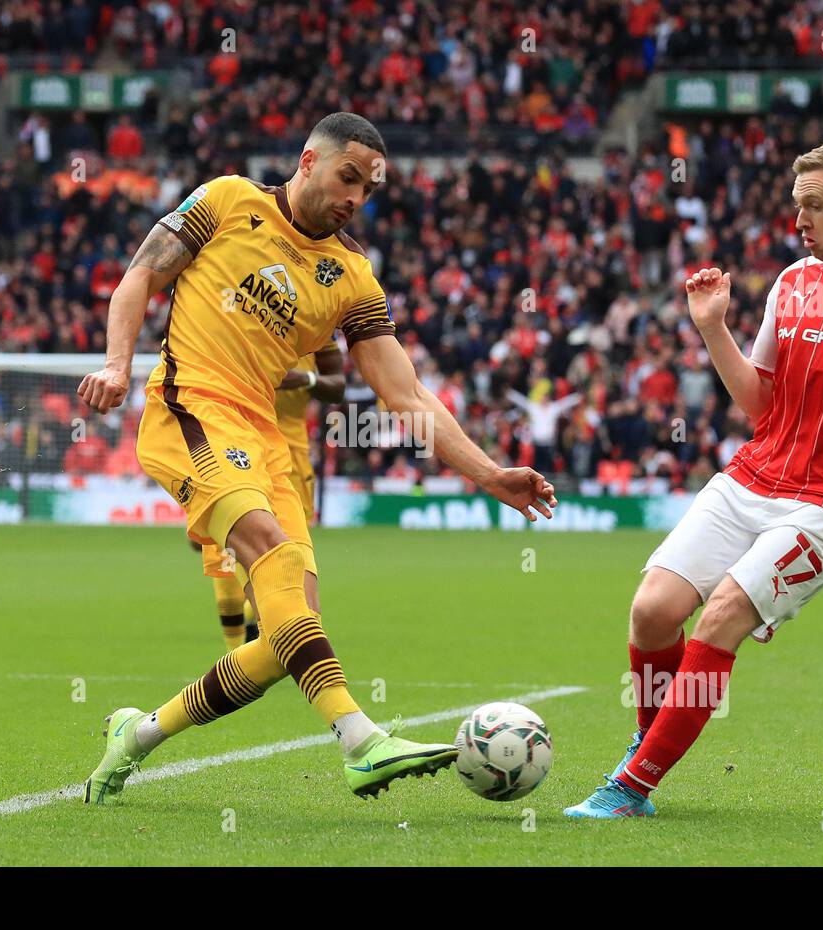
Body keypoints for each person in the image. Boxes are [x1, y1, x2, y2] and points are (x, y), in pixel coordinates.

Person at [77, 112, 556, 803]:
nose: (356, 197)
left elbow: (405, 392)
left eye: (368, 189)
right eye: (348, 178)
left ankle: (138, 733)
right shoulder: (225, 200)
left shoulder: (352, 275)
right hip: (192, 410)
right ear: (308, 161)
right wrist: (118, 366)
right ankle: (361, 741)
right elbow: (139, 278)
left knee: (286, 637)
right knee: (270, 553)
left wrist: (488, 472)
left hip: (267, 441)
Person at [564, 136, 823, 819]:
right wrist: (715, 330)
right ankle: (649, 743)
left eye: (813, 206)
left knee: (720, 619)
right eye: (795, 204)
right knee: (653, 611)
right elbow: (760, 404)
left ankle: (631, 788)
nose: (798, 220)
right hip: (753, 477)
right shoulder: (793, 282)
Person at [196, 342, 344, 650]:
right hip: (237, 452)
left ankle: (268, 632)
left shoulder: (316, 327)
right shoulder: (239, 318)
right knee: (229, 553)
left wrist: (307, 379)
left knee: (290, 557)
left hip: (292, 460)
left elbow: (338, 385)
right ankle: (235, 656)